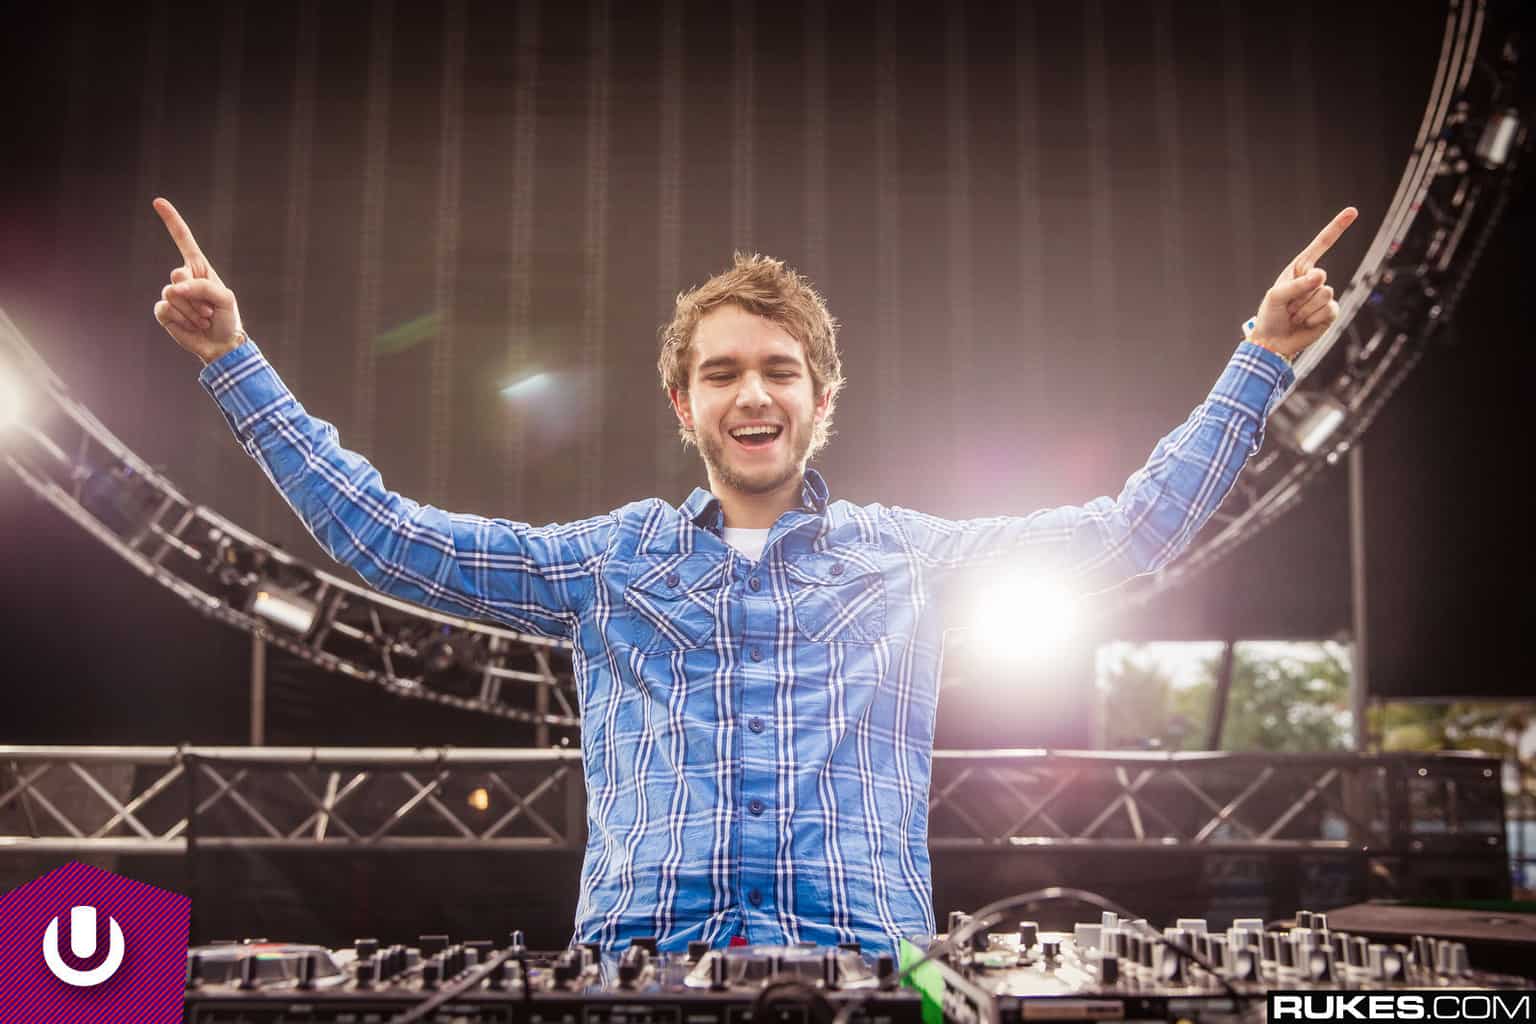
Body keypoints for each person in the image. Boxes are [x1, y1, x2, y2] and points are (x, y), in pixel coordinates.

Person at [151, 196, 1356, 956]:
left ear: (821, 402)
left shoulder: (905, 559)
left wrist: (1262, 354)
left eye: (781, 370)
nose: (754, 393)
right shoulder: (612, 562)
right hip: (642, 968)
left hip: (864, 965)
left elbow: (1126, 532)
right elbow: (388, 538)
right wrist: (233, 359)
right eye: (722, 372)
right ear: (685, 406)